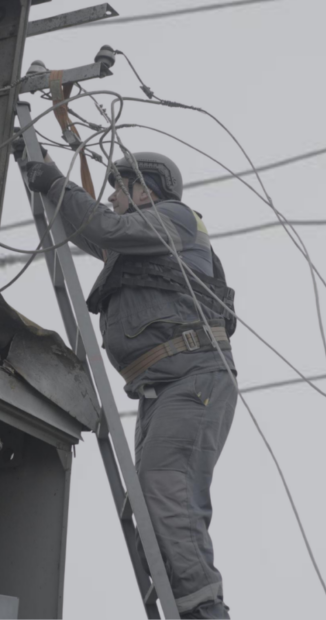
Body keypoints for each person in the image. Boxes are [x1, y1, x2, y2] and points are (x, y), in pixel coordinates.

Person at [22, 149, 237, 619]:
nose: (114, 197)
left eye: (120, 187)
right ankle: (186, 606)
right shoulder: (138, 241)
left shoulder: (176, 219)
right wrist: (40, 165)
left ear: (148, 189)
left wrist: (55, 183)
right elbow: (90, 226)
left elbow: (103, 227)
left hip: (192, 378)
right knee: (153, 504)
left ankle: (204, 613)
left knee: (167, 492)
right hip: (163, 389)